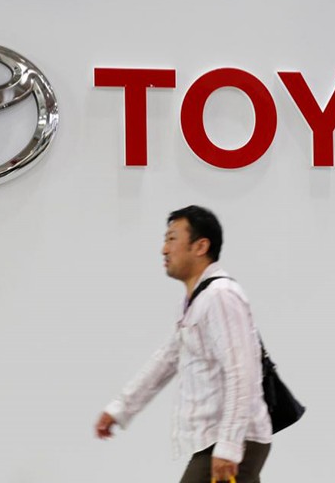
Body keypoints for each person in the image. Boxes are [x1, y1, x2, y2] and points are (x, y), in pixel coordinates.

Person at [95, 205, 272, 483]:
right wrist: (121, 407)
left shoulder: (221, 297)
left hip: (231, 439)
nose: (164, 250)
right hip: (220, 441)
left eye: (172, 239)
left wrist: (228, 445)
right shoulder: (196, 302)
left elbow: (242, 373)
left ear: (200, 246)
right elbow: (166, 359)